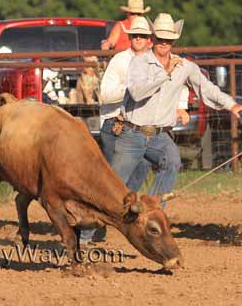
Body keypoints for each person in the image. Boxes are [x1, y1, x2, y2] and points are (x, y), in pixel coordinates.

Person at [111, 13, 242, 199]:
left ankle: (153, 208)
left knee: (172, 162)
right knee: (113, 186)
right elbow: (137, 92)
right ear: (152, 39)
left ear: (173, 42)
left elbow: (207, 88)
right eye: (160, 38)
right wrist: (165, 73)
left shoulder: (185, 66)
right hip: (132, 133)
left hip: (160, 135)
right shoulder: (139, 62)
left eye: (168, 39)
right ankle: (89, 228)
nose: (164, 42)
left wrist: (232, 105)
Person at [79, 16, 188, 244]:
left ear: (150, 39)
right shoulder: (120, 61)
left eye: (143, 36)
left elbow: (177, 83)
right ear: (129, 38)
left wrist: (181, 106)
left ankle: (149, 214)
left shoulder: (158, 61)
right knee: (116, 184)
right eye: (135, 35)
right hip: (116, 125)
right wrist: (135, 89)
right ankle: (88, 231)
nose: (139, 39)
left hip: (142, 129)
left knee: (142, 173)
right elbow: (107, 95)